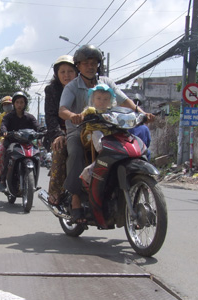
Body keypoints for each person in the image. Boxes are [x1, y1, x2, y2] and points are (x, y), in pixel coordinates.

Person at [59, 44, 152, 223]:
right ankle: (76, 199)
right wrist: (74, 116)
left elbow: (124, 100)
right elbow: (62, 110)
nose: (90, 66)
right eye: (85, 63)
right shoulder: (71, 87)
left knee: (133, 141)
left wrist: (142, 112)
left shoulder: (107, 83)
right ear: (78, 66)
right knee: (76, 151)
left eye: (93, 62)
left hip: (109, 128)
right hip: (81, 130)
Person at [44, 55, 77, 205]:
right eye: (62, 71)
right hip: (61, 132)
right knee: (59, 149)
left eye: (70, 71)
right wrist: (58, 134)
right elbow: (50, 116)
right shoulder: (52, 90)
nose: (66, 75)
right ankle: (55, 193)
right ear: (57, 73)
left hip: (85, 130)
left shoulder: (83, 87)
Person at [0, 91, 39, 190]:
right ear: (14, 104)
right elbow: (3, 125)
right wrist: (4, 132)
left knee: (37, 154)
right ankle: (2, 180)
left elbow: (37, 126)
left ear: (25, 104)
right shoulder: (8, 117)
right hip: (12, 143)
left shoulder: (30, 117)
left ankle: (34, 180)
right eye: (17, 102)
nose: (19, 105)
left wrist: (42, 131)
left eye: (22, 102)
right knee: (4, 153)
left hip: (27, 143)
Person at [0, 95, 13, 180]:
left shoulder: (18, 114)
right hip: (6, 140)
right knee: (0, 153)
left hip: (20, 139)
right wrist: (1, 139)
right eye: (4, 104)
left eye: (8, 104)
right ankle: (0, 173)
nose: (6, 106)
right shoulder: (0, 117)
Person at [128, 94, 152, 160]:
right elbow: (148, 142)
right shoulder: (145, 128)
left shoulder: (126, 127)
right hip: (140, 154)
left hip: (131, 154)